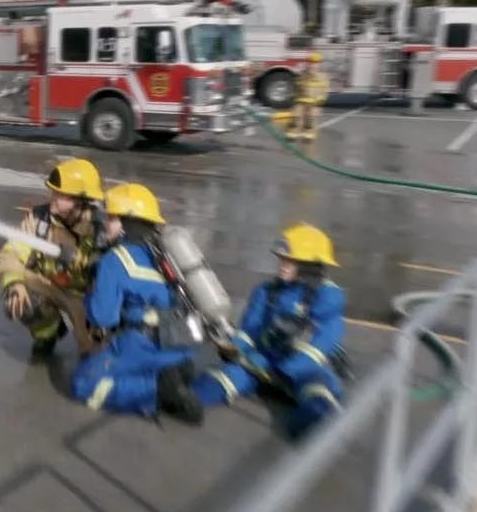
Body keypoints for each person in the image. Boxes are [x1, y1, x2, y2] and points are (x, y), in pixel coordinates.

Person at [193, 223, 346, 439]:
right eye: (282, 259)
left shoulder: (327, 297)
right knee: (222, 378)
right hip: (264, 363)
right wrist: (234, 348)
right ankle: (189, 400)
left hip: (306, 370)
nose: (282, 265)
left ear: (310, 266)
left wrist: (287, 371)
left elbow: (320, 345)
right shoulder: (266, 291)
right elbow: (249, 330)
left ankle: (314, 429)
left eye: (290, 261)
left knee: (318, 398)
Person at [69, 183, 203, 424]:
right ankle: (173, 376)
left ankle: (157, 389)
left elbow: (103, 317)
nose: (105, 223)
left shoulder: (114, 259)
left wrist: (89, 292)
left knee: (84, 383)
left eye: (111, 218)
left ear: (127, 223)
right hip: (179, 345)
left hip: (142, 343)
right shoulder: (165, 254)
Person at [0, 158, 104, 358]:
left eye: (60, 195)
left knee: (93, 355)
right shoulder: (39, 219)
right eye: (53, 192)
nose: (52, 198)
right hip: (48, 286)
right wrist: (15, 284)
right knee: (22, 296)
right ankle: (48, 334)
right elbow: (12, 252)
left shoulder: (99, 230)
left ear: (80, 202)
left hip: (83, 297)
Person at [290, 51, 329, 142]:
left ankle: (309, 136)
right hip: (301, 101)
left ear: (319, 64)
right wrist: (294, 98)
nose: (313, 65)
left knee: (310, 120)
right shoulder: (302, 74)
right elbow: (296, 86)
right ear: (307, 63)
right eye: (311, 62)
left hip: (314, 103)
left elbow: (324, 89)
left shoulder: (322, 76)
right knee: (296, 117)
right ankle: (292, 134)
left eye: (315, 63)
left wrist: (321, 100)